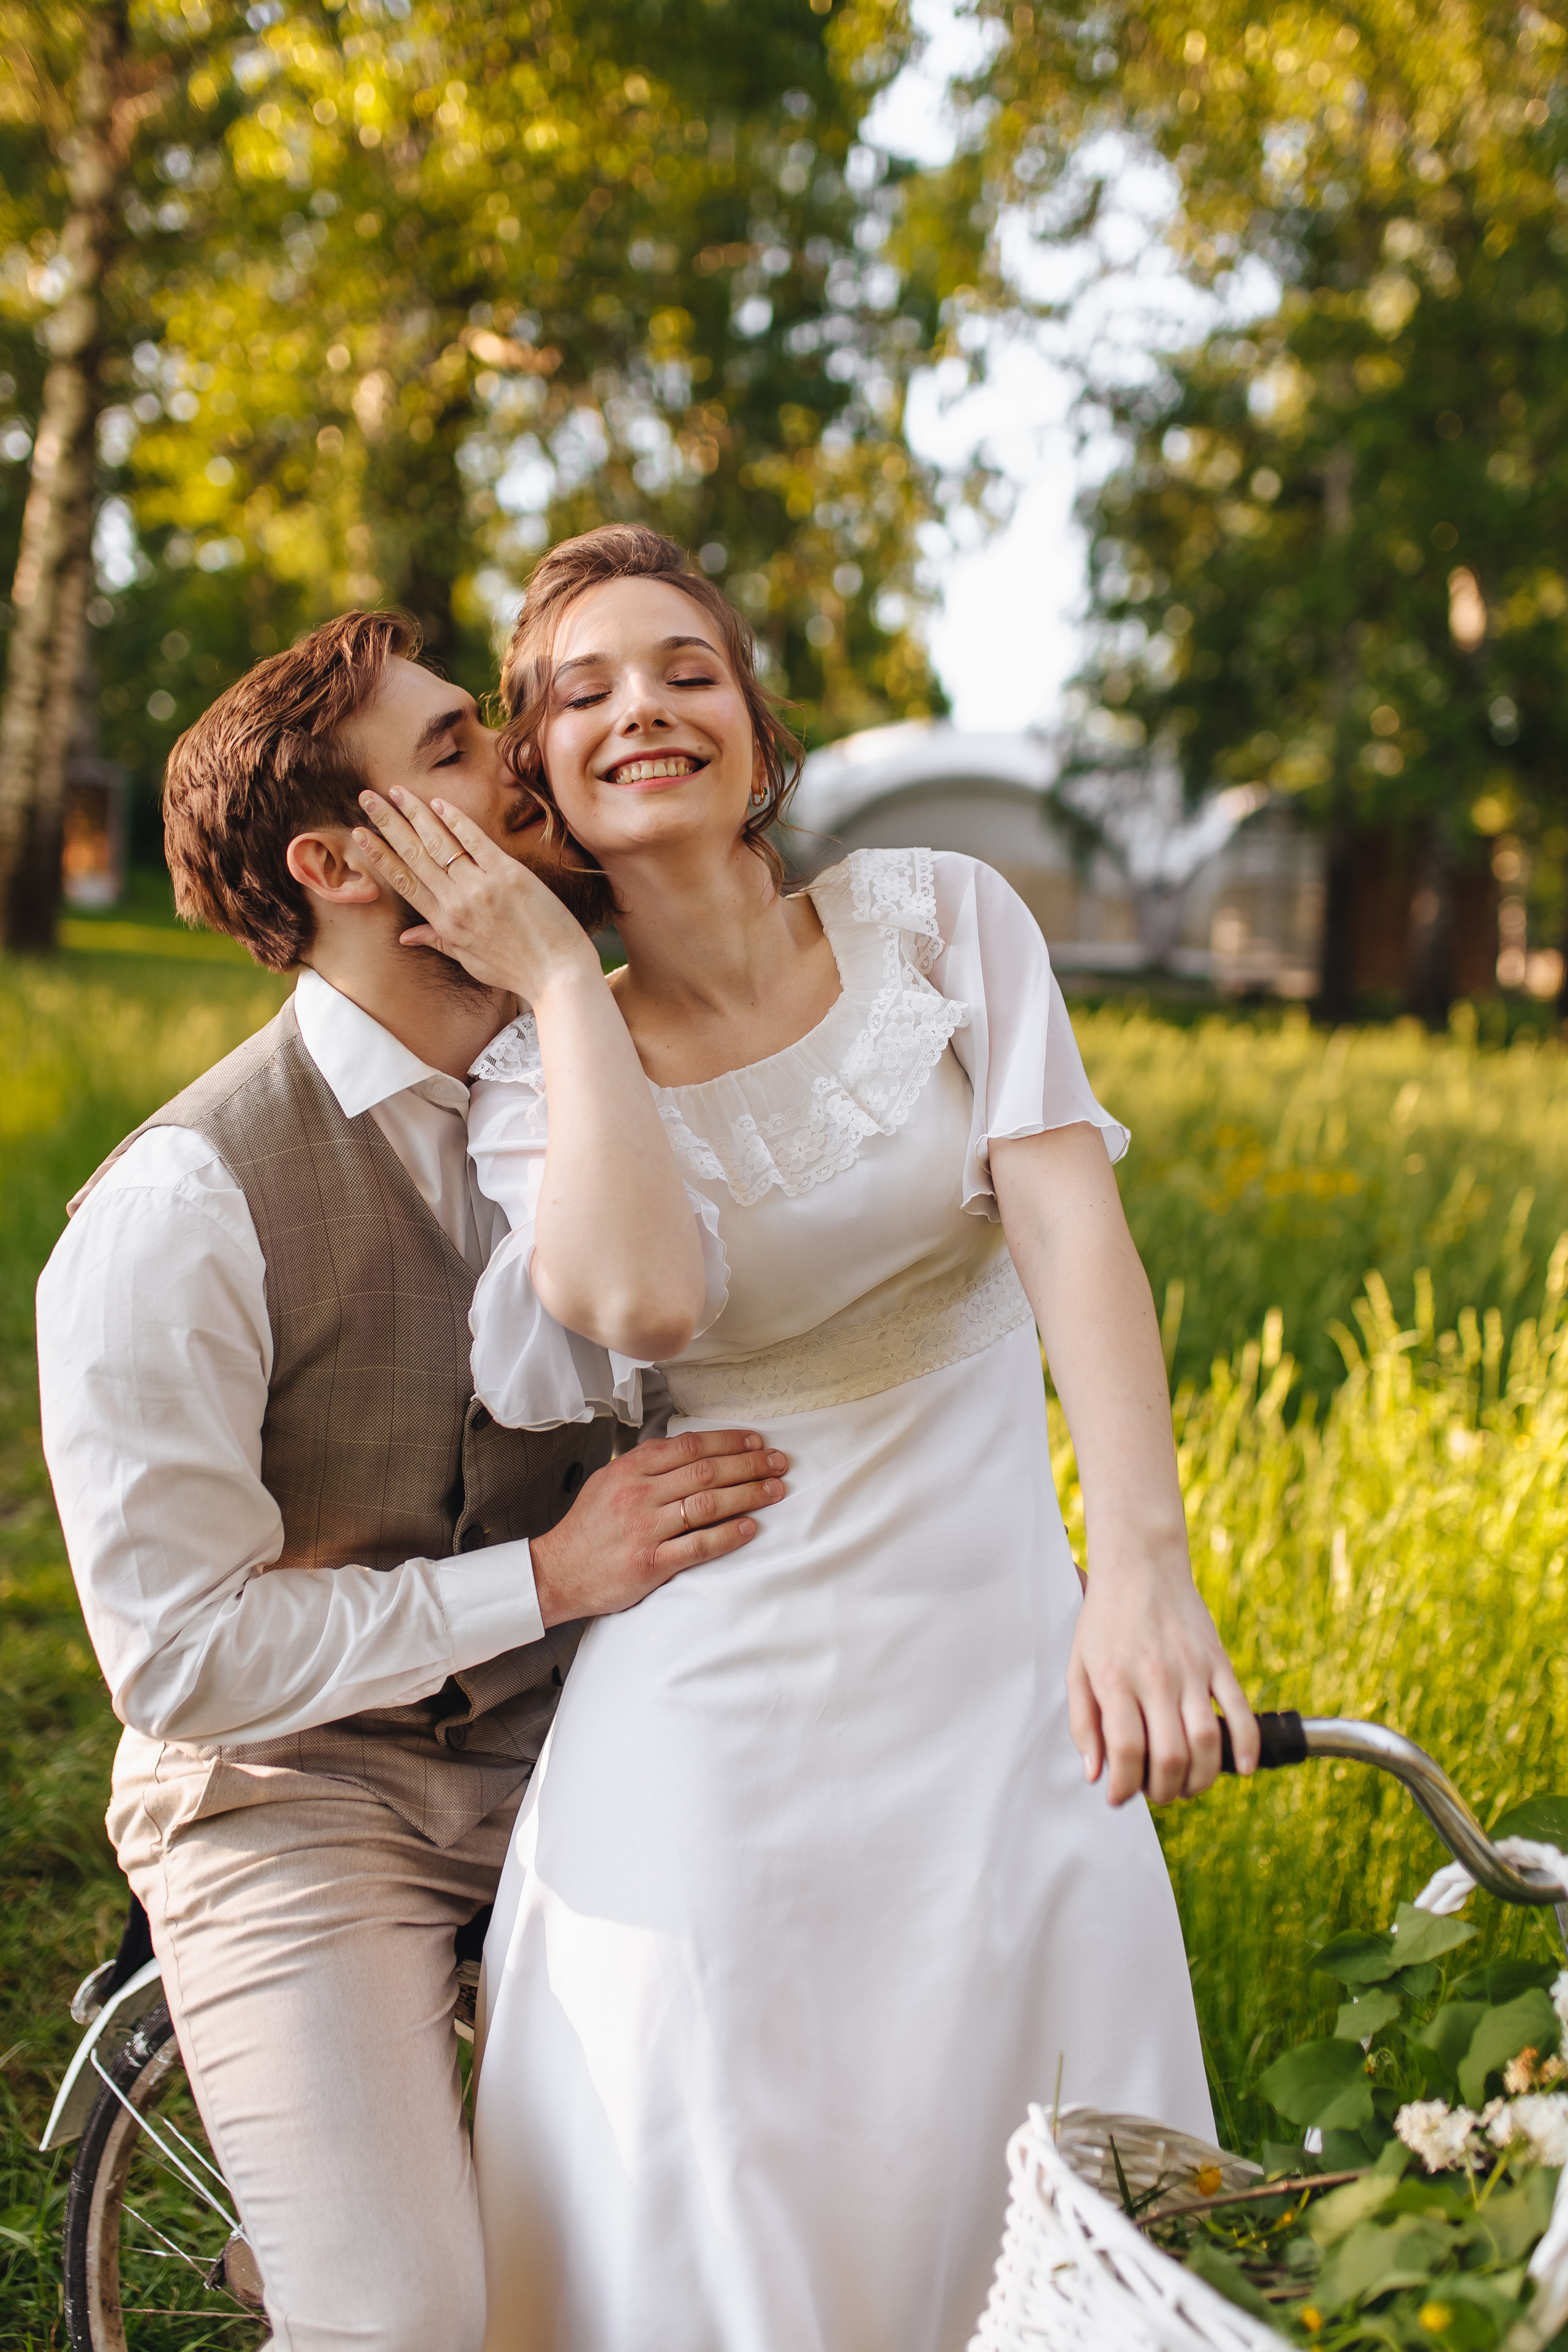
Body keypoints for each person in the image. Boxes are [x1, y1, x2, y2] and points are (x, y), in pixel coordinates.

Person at [362, 524, 1262, 2352]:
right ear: (536, 774)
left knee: (1044, 2175)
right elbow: (642, 1308)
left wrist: (1143, 1581)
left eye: (689, 670)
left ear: (759, 740)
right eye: (582, 692)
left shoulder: (942, 920)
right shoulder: (550, 1066)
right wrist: (550, 976)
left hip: (1004, 1658)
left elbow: (1077, 1236)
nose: (646, 711)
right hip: (719, 1698)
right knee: (726, 2181)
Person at [35, 609, 790, 2352]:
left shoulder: (591, 1076)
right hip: (298, 1805)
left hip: (585, 1740)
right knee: (408, 2328)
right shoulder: (178, 1211)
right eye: (455, 748)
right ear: (339, 861)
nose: (523, 759)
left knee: (748, 2196)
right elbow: (180, 1663)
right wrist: (549, 1577)